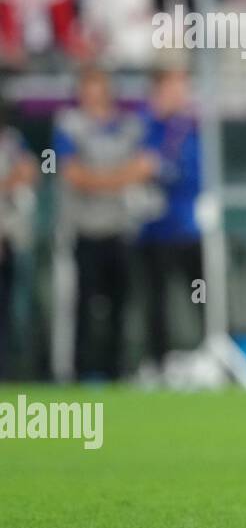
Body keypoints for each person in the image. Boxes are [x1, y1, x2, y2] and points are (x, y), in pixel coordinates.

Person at [53, 67, 152, 381]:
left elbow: (144, 167)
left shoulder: (128, 125)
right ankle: (80, 370)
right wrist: (115, 179)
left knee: (121, 303)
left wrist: (100, 179)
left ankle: (118, 370)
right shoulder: (69, 124)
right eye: (88, 86)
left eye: (98, 85)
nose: (93, 93)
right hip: (84, 228)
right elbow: (71, 172)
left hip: (121, 228)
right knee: (83, 304)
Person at [136, 66, 203, 377]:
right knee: (156, 300)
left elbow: (195, 173)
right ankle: (158, 363)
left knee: (202, 295)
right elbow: (138, 165)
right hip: (153, 230)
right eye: (170, 88)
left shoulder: (193, 126)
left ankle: (212, 355)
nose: (177, 95)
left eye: (182, 88)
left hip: (189, 228)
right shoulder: (144, 125)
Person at [0, 103, 36, 379]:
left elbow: (30, 170)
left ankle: (12, 370)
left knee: (13, 306)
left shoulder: (11, 139)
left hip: (10, 234)